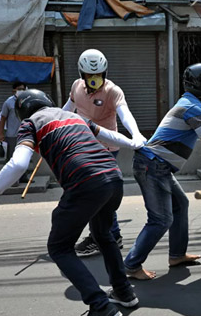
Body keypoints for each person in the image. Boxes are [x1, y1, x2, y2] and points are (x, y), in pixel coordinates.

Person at [0, 89, 144, 316]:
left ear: (22, 112)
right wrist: (135, 142)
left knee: (59, 247)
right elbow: (107, 134)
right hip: (113, 177)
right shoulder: (72, 116)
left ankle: (100, 306)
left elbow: (18, 163)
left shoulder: (30, 124)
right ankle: (124, 292)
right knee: (103, 235)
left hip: (85, 182)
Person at [124, 63, 201, 280]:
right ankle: (131, 265)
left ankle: (177, 255)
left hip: (157, 165)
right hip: (153, 165)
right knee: (160, 219)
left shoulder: (189, 103)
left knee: (180, 204)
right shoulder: (194, 108)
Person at [63, 49, 147, 256]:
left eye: (99, 75)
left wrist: (136, 134)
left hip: (107, 148)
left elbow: (125, 114)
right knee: (95, 193)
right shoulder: (76, 86)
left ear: (105, 72)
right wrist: (52, 125)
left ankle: (105, 236)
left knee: (99, 193)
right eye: (90, 76)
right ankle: (107, 235)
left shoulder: (112, 91)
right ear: (82, 75)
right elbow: (68, 108)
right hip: (82, 146)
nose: (95, 80)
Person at [0, 81, 29, 184]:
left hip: (24, 134)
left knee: (24, 156)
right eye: (19, 89)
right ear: (13, 90)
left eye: (23, 89)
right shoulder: (8, 102)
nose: (21, 91)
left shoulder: (27, 101)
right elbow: (2, 119)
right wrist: (1, 134)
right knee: (12, 158)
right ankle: (12, 180)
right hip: (12, 135)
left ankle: (23, 176)